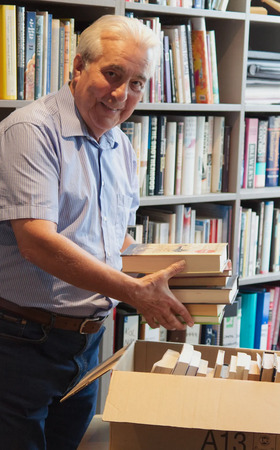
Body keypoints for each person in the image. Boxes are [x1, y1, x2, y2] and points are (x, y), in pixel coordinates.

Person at [0, 14, 193, 450]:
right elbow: (36, 240)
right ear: (77, 67)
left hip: (88, 344)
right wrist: (134, 291)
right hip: (21, 340)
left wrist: (187, 272)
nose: (122, 94)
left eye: (138, 83)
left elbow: (111, 238)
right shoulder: (31, 131)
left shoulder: (120, 145)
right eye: (112, 74)